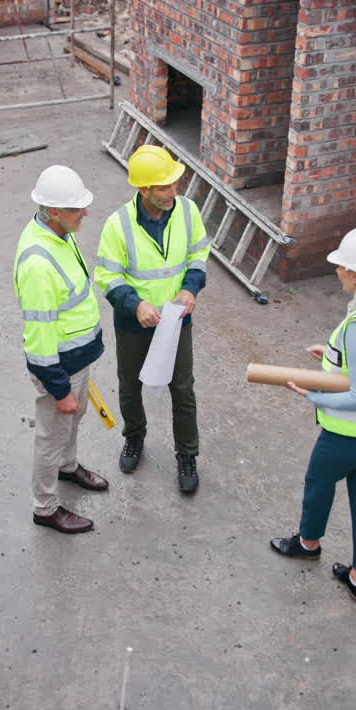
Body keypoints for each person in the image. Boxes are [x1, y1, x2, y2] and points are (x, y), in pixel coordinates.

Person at [268, 227, 356, 602]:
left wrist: (315, 394)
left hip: (351, 432)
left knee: (318, 482)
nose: (336, 271)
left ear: (355, 274)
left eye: (341, 266)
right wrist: (333, 355)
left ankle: (308, 542)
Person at [94, 145, 210, 494]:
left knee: (183, 389)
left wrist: (191, 289)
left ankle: (187, 455)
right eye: (164, 187)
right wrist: (136, 304)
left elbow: (199, 253)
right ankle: (134, 437)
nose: (173, 192)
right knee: (130, 385)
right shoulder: (118, 225)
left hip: (177, 322)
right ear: (143, 189)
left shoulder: (188, 212)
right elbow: (106, 276)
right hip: (134, 324)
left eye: (175, 184)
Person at [13, 165, 110, 534]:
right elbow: (38, 338)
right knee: (51, 437)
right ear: (53, 212)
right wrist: (59, 388)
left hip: (77, 359)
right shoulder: (38, 264)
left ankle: (68, 468)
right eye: (76, 209)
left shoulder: (59, 232)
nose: (84, 213)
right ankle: (46, 507)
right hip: (59, 368)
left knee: (73, 420)